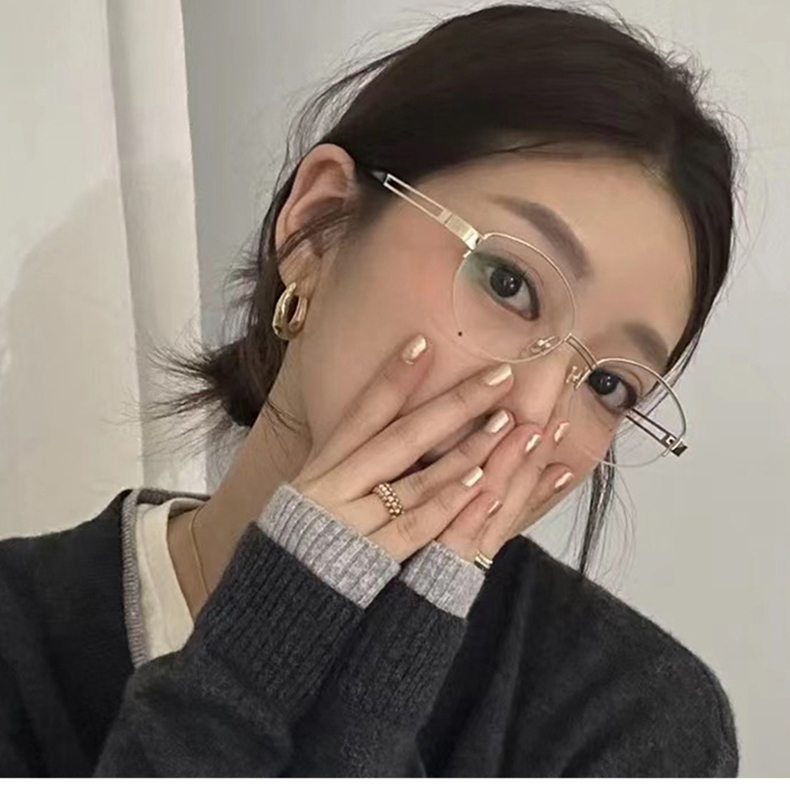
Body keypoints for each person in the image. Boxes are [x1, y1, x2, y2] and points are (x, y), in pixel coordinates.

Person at [0, 3, 739, 777]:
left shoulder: (631, 715)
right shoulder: (21, 638)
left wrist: (372, 699)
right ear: (319, 228)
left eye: (609, 383)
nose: (533, 409)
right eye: (510, 283)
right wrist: (256, 656)